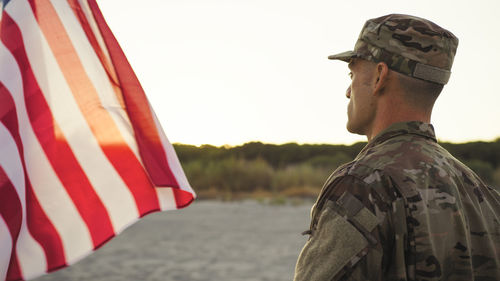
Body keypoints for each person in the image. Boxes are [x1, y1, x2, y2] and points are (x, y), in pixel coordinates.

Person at [293, 14, 500, 281]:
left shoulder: (364, 185)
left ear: (379, 76)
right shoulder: (483, 196)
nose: (347, 90)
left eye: (352, 72)